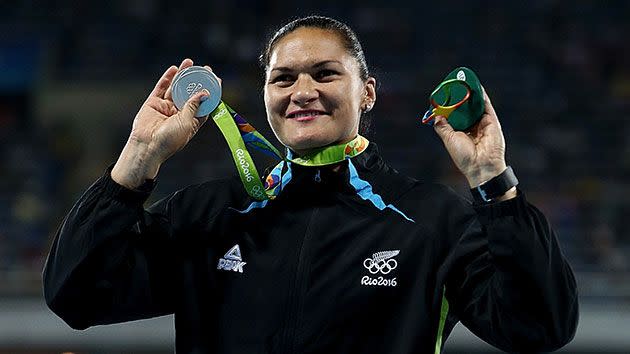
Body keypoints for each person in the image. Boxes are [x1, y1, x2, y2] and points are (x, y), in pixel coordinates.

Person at [43, 15, 578, 353]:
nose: (303, 91)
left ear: (366, 92)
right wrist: (137, 159)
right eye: (284, 78)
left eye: (325, 73)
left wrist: (493, 184)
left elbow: (539, 328)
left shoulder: (433, 219)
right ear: (267, 95)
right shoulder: (208, 215)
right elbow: (77, 296)